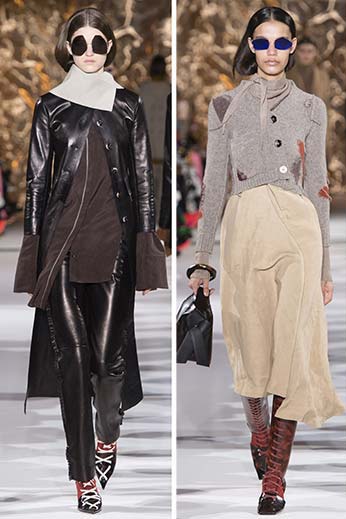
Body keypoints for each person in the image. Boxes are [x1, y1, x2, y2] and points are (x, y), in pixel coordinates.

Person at [186, 6, 344, 515]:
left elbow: (319, 186)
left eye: (281, 42)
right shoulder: (225, 105)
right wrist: (202, 258)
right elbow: (214, 185)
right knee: (251, 348)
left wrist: (325, 267)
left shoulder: (312, 107)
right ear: (251, 46)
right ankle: (257, 425)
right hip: (246, 229)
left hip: (299, 233)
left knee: (293, 351)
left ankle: (275, 476)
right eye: (262, 42)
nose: (272, 51)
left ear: (293, 47)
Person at [13, 7, 168, 513]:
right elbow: (36, 182)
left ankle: (108, 436)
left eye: (97, 43)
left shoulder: (128, 105)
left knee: (108, 360)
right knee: (74, 362)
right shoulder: (50, 107)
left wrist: (146, 251)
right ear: (67, 49)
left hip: (114, 248)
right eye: (78, 43)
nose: (88, 52)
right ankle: (82, 476)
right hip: (61, 249)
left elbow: (144, 181)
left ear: (109, 48)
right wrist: (33, 254)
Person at [139, 55, 171, 221]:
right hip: (165, 149)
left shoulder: (143, 90)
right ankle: (161, 225)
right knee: (163, 194)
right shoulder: (169, 90)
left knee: (147, 193)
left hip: (147, 149)